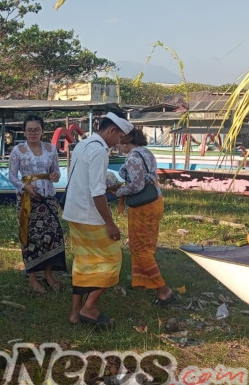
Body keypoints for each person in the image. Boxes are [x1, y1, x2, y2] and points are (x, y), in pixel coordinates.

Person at [62, 111, 133, 328]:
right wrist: (110, 223)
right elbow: (96, 192)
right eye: (119, 137)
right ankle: (89, 307)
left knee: (83, 262)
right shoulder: (99, 151)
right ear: (112, 130)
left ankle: (75, 314)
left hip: (74, 211)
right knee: (112, 258)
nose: (118, 142)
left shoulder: (84, 144)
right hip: (89, 214)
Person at [111, 127, 174, 306]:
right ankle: (142, 281)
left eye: (121, 142)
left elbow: (136, 186)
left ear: (126, 142)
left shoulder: (132, 157)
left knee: (139, 247)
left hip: (142, 205)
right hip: (155, 200)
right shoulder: (147, 152)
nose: (120, 146)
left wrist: (118, 191)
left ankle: (162, 289)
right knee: (148, 244)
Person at [8, 115, 66, 294]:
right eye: (29, 130)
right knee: (30, 238)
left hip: (48, 198)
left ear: (42, 131)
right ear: (24, 131)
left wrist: (56, 175)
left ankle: (48, 274)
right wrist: (25, 186)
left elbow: (55, 171)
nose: (33, 133)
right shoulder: (18, 150)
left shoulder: (50, 149)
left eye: (37, 130)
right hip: (28, 201)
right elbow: (11, 176)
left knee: (51, 236)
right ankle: (33, 277)